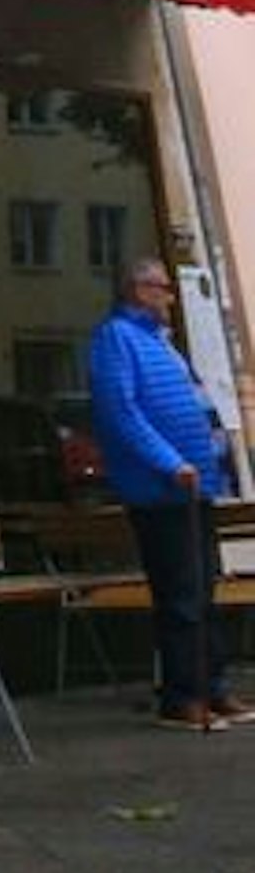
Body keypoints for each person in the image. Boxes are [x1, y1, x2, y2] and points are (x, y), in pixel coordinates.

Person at [88, 257, 254, 731]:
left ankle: (213, 686)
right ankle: (182, 696)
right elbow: (120, 411)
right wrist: (169, 462)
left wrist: (215, 460)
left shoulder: (159, 342)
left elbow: (191, 401)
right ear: (138, 290)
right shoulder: (115, 339)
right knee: (181, 594)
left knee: (203, 590)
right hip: (159, 489)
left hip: (192, 486)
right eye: (162, 288)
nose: (170, 297)